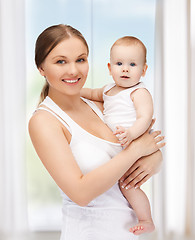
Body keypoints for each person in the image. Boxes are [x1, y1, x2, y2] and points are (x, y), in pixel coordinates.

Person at [29, 24, 165, 240]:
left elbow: (143, 144)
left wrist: (156, 159)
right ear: (41, 68)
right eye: (60, 61)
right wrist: (137, 150)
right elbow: (80, 193)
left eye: (80, 59)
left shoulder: (103, 106)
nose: (73, 70)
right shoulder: (44, 121)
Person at [80, 36, 155, 235]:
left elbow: (145, 118)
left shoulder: (139, 92)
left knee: (128, 185)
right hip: (118, 147)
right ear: (110, 67)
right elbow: (92, 93)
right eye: (119, 63)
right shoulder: (108, 90)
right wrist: (77, 92)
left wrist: (131, 134)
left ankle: (146, 219)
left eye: (132, 64)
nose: (125, 69)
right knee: (116, 180)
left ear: (144, 70)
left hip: (133, 143)